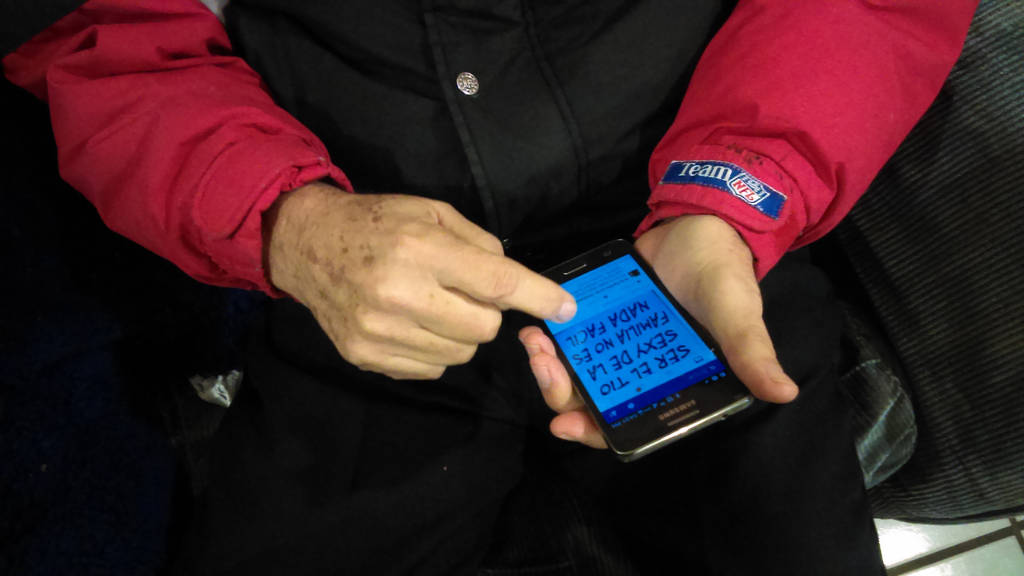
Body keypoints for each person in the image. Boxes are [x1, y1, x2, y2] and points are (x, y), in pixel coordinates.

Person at [3, 0, 978, 573]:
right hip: (355, 261)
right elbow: (98, 31)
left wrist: (734, 195)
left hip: (688, 246)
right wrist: (283, 222)